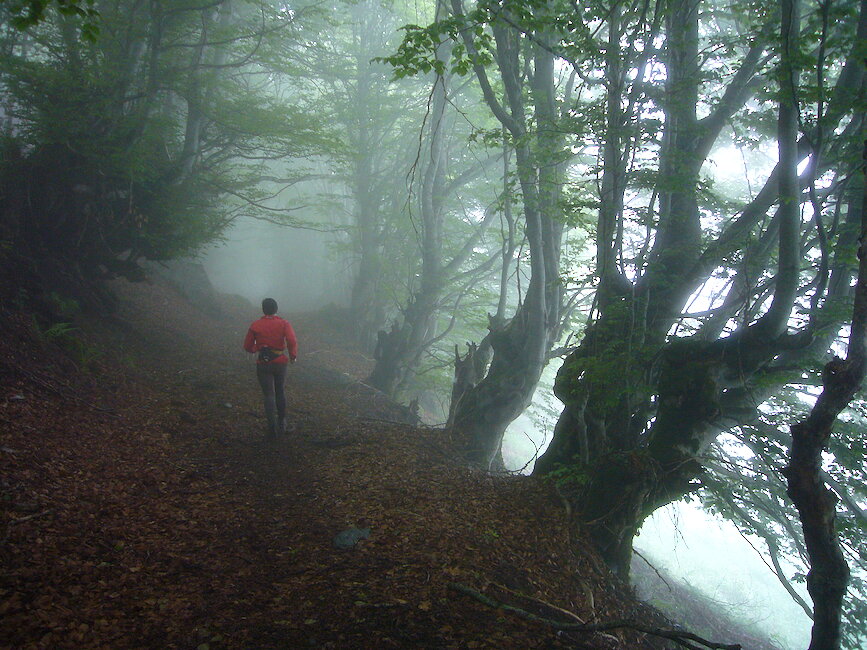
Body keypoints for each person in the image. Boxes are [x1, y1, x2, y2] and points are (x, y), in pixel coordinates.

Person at [243, 298, 298, 437]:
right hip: (280, 362)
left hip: (263, 364)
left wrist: (258, 348)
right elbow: (291, 340)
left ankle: (271, 427)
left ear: (263, 309)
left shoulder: (255, 325)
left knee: (268, 394)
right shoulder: (284, 323)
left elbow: (247, 346)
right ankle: (282, 423)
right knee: (280, 391)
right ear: (276, 309)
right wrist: (293, 355)